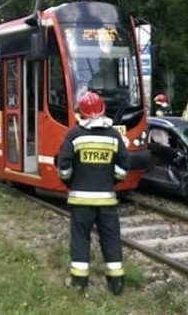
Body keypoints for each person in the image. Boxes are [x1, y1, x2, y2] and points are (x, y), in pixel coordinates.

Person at [56, 91, 128, 295]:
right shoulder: (114, 136)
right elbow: (124, 166)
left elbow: (63, 167)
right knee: (111, 239)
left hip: (80, 200)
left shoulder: (74, 135)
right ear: (103, 111)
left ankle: (79, 282)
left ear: (81, 113)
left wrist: (70, 181)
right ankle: (117, 283)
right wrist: (111, 181)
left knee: (80, 239)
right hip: (107, 201)